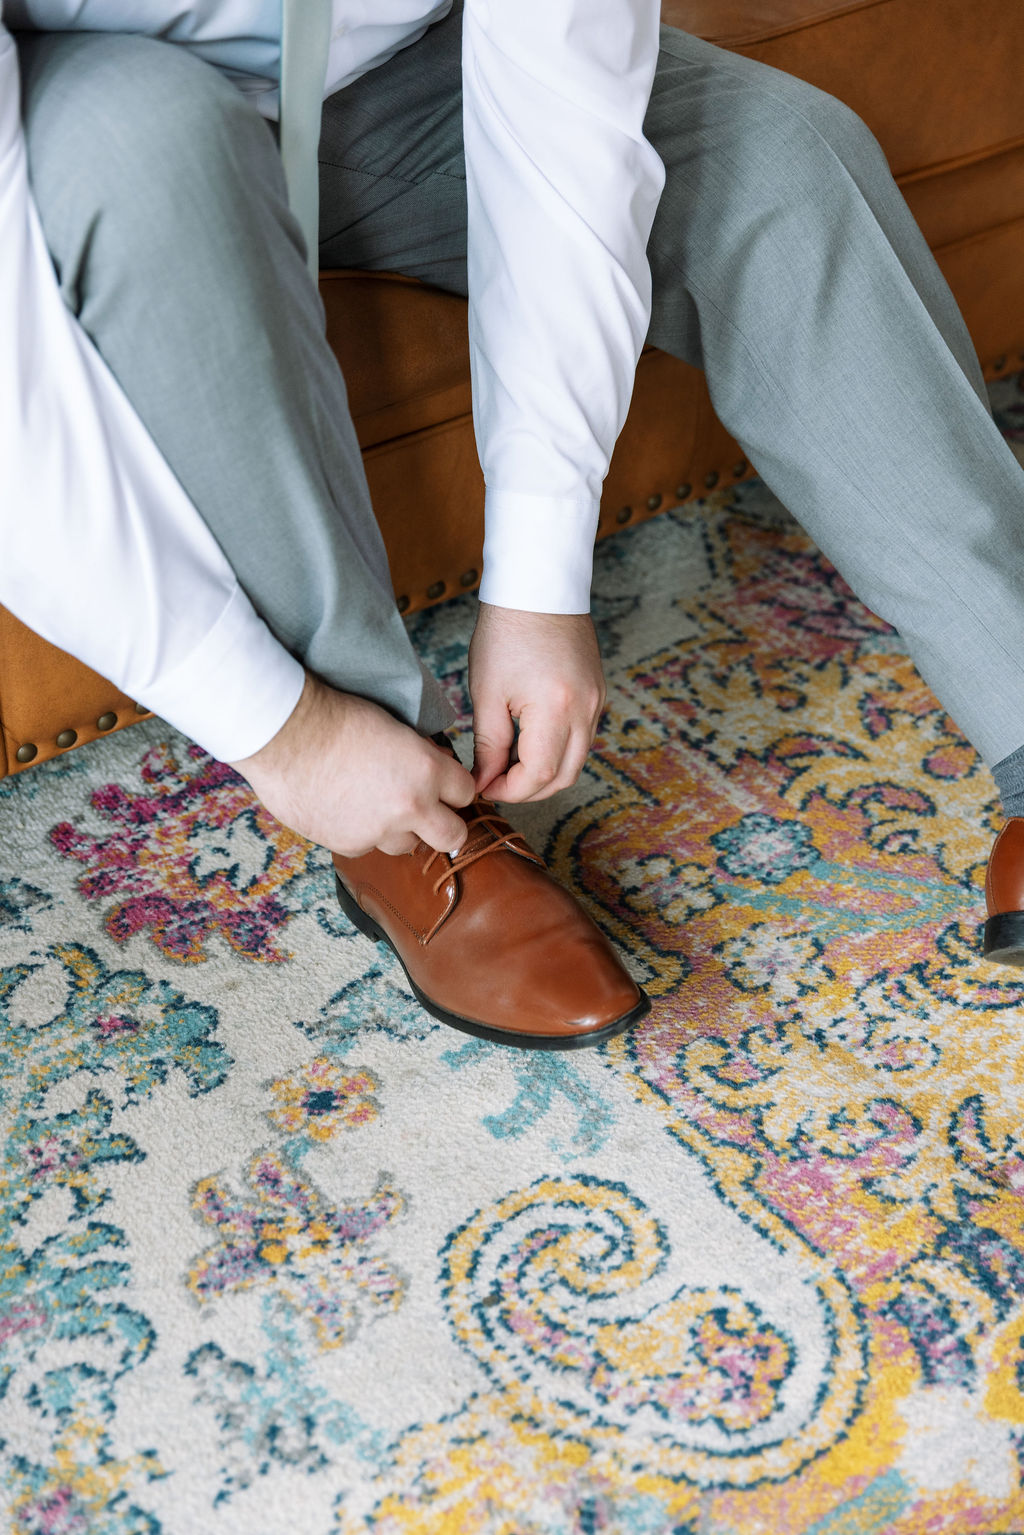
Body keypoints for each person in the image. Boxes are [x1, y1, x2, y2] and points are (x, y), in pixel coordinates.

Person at [3, 2, 1024, 1050]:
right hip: (81, 133)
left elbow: (562, 108)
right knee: (151, 135)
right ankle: (405, 816)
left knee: (769, 159)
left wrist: (539, 580)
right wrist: (285, 729)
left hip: (377, 75)